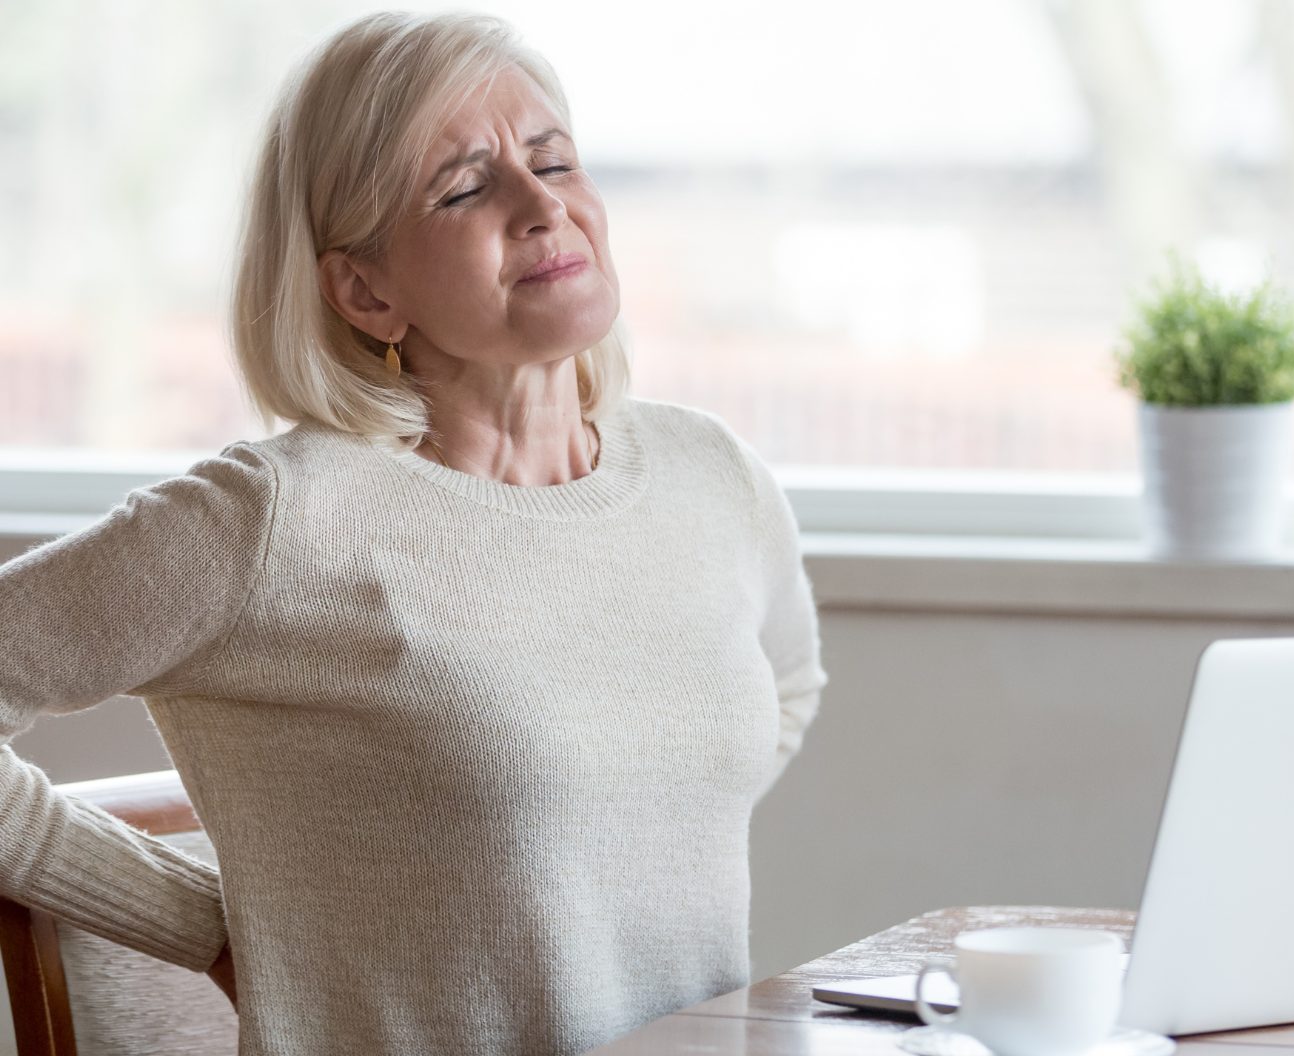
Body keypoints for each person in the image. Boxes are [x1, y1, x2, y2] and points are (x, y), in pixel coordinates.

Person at [0, 10, 827, 1056]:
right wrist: (200, 918)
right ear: (364, 288)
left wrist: (623, 806)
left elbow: (785, 685)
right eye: (467, 186)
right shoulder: (278, 520)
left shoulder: (711, 475)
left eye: (553, 159)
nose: (543, 208)